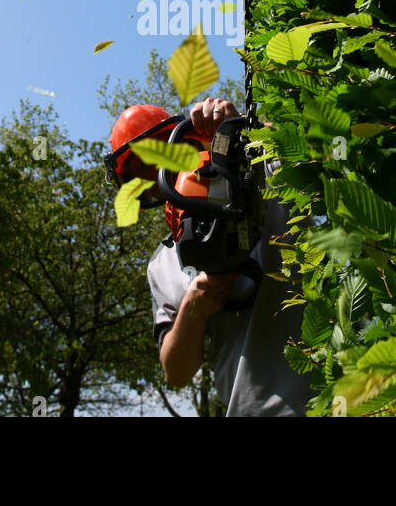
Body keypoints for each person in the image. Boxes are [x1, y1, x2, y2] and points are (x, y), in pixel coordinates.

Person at [105, 96, 310, 416]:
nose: (162, 174)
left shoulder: (264, 176)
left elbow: (313, 150)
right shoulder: (163, 265)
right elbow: (176, 371)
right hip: (248, 409)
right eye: (144, 170)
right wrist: (193, 309)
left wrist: (244, 129)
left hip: (331, 395)